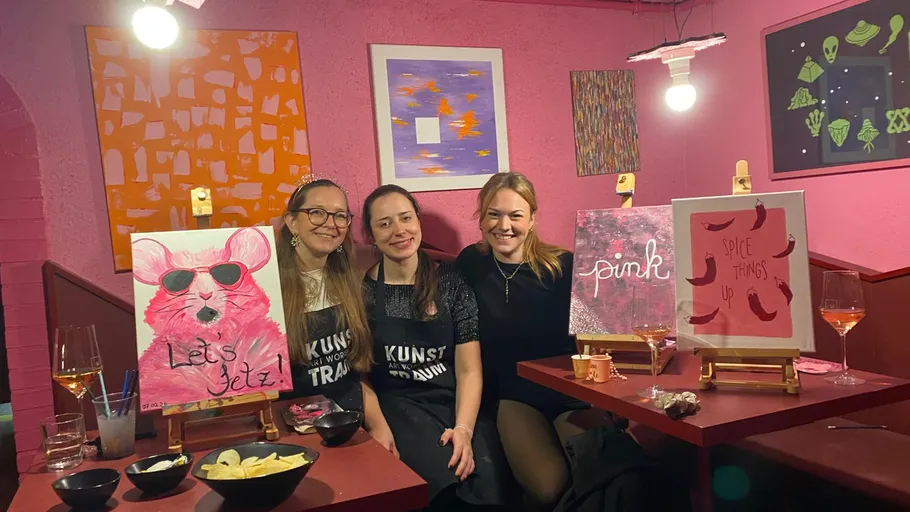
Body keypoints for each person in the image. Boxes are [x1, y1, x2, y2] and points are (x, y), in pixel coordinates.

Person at [456, 172, 604, 511]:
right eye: (493, 214)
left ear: (533, 219)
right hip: (512, 393)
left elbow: (597, 333)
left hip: (569, 389)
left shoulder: (563, 266)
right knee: (549, 486)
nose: (503, 225)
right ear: (481, 218)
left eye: (515, 215)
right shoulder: (471, 263)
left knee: (600, 471)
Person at [360, 184, 510, 511]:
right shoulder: (364, 292)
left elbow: (469, 370)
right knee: (444, 488)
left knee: (488, 485)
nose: (399, 230)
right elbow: (358, 375)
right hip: (399, 407)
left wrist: (464, 429)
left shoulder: (452, 283)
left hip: (454, 403)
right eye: (385, 223)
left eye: (405, 218)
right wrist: (378, 426)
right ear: (371, 235)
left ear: (418, 222)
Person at [276, 178, 372, 411]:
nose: (331, 223)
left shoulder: (352, 280)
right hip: (293, 422)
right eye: (317, 212)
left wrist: (378, 424)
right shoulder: (268, 289)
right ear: (292, 222)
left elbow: (358, 375)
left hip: (351, 417)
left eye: (340, 215)